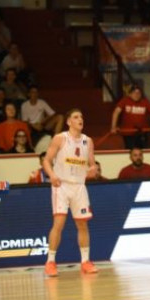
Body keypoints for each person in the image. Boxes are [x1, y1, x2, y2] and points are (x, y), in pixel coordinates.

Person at [43, 109, 98, 277]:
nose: (80, 119)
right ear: (68, 122)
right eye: (76, 117)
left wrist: (93, 169)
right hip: (61, 185)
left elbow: (92, 164)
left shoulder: (88, 141)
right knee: (59, 223)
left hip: (79, 186)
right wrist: (52, 175)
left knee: (82, 224)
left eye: (81, 116)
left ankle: (85, 262)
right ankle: (50, 262)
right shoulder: (60, 138)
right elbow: (46, 160)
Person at [111, 84, 150, 150]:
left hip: (142, 132)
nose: (137, 95)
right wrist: (113, 127)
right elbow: (116, 112)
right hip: (128, 133)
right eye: (134, 93)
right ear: (130, 94)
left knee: (143, 150)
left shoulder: (145, 101)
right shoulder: (125, 100)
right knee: (130, 150)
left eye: (138, 93)